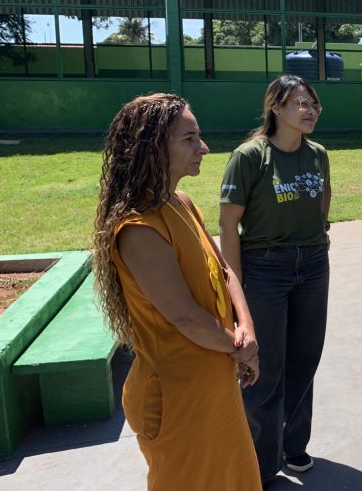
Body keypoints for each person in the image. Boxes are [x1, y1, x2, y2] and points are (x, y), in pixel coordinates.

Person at [91, 93, 261, 490]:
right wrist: (239, 349)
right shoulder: (138, 229)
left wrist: (247, 331)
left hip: (214, 378)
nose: (203, 147)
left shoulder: (181, 202)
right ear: (151, 149)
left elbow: (225, 272)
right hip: (178, 396)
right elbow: (184, 317)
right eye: (189, 139)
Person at [219, 74, 331, 482]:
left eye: (313, 104)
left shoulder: (318, 154)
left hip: (314, 264)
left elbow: (324, 201)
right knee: (264, 368)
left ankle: (295, 446)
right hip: (265, 266)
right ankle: (262, 465)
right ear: (276, 108)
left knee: (305, 357)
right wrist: (234, 289)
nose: (310, 110)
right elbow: (228, 226)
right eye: (301, 103)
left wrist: (320, 237)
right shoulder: (250, 156)